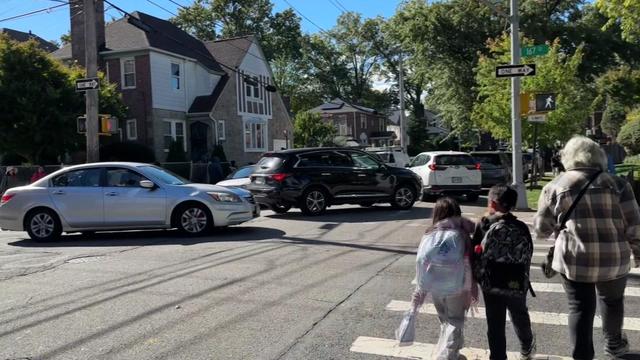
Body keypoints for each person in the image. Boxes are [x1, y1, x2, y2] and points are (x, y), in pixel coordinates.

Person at [534, 136, 640, 360]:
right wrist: (638, 254)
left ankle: (582, 355)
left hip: (574, 260)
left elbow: (542, 230)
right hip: (614, 259)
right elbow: (634, 225)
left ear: (568, 158)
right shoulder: (619, 185)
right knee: (612, 302)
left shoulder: (555, 186)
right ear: (598, 157)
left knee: (579, 306)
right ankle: (613, 346)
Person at [472, 185, 535, 360]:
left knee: (495, 321)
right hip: (516, 279)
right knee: (519, 313)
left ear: (492, 202)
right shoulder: (521, 227)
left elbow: (474, 252)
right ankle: (526, 346)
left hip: (491, 282)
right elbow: (527, 255)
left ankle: (498, 356)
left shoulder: (484, 224)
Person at [410, 197, 477, 360]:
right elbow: (470, 263)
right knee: (455, 320)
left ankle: (453, 352)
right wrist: (472, 287)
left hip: (435, 287)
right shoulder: (461, 234)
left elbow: (421, 261)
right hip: (457, 287)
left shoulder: (430, 233)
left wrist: (420, 290)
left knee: (445, 321)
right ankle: (448, 356)